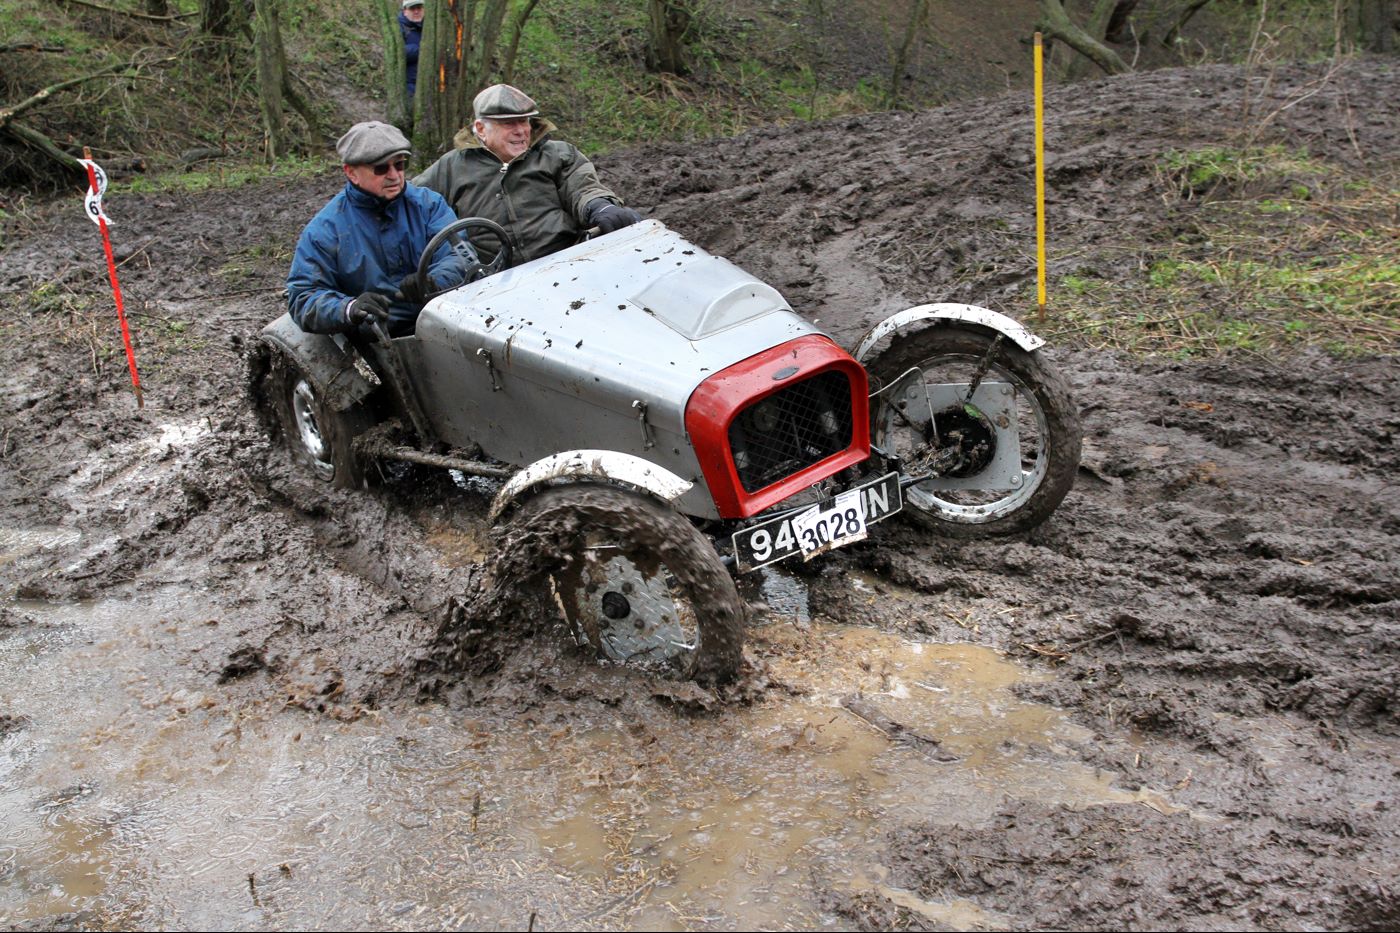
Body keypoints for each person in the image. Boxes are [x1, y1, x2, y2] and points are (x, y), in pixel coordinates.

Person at [412, 84, 643, 267]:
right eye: (509, 124)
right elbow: (412, 205)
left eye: (524, 121)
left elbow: (582, 187)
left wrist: (600, 207)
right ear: (481, 129)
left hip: (566, 262)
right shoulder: (451, 168)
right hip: (492, 282)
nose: (521, 131)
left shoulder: (557, 154)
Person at [287, 121, 473, 339]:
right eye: (381, 168)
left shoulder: (428, 205)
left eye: (400, 165)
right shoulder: (326, 229)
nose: (394, 175)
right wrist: (350, 308)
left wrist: (433, 281)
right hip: (374, 339)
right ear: (351, 172)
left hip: (439, 322)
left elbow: (460, 255)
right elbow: (303, 296)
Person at [400, 0, 423, 101]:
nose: (416, 11)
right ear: (405, 11)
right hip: (408, 84)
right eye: (412, 9)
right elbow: (399, 53)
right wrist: (421, 49)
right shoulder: (400, 27)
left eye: (419, 8)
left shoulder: (431, 26)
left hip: (430, 84)